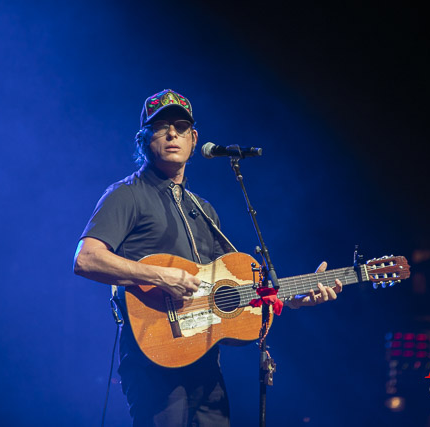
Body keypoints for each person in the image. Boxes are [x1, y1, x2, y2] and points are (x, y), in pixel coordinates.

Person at [73, 89, 343, 426]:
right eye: (161, 127)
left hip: (205, 361)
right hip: (153, 358)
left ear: (194, 138)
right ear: (142, 139)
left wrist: (294, 299)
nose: (172, 134)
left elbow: (241, 289)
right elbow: (87, 260)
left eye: (181, 127)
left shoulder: (204, 210)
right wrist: (161, 276)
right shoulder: (126, 195)